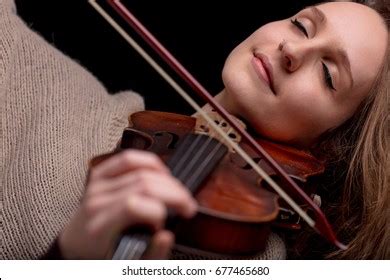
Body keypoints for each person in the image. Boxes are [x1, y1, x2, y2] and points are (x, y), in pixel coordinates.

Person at [1, 0, 388, 260]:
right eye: (303, 26)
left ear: (334, 148)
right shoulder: (43, 83)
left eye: (327, 73)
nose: (292, 49)